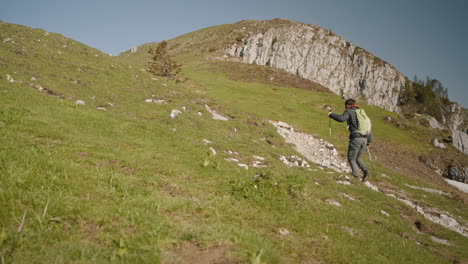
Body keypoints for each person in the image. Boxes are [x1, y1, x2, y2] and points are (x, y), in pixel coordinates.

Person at [328, 99, 372, 181]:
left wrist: (331, 114)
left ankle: (356, 177)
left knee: (351, 159)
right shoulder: (361, 113)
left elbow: (341, 118)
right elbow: (368, 127)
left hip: (356, 139)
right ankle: (365, 171)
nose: (345, 108)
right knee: (357, 157)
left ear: (348, 105)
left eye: (345, 106)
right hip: (365, 139)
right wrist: (369, 141)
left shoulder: (349, 111)